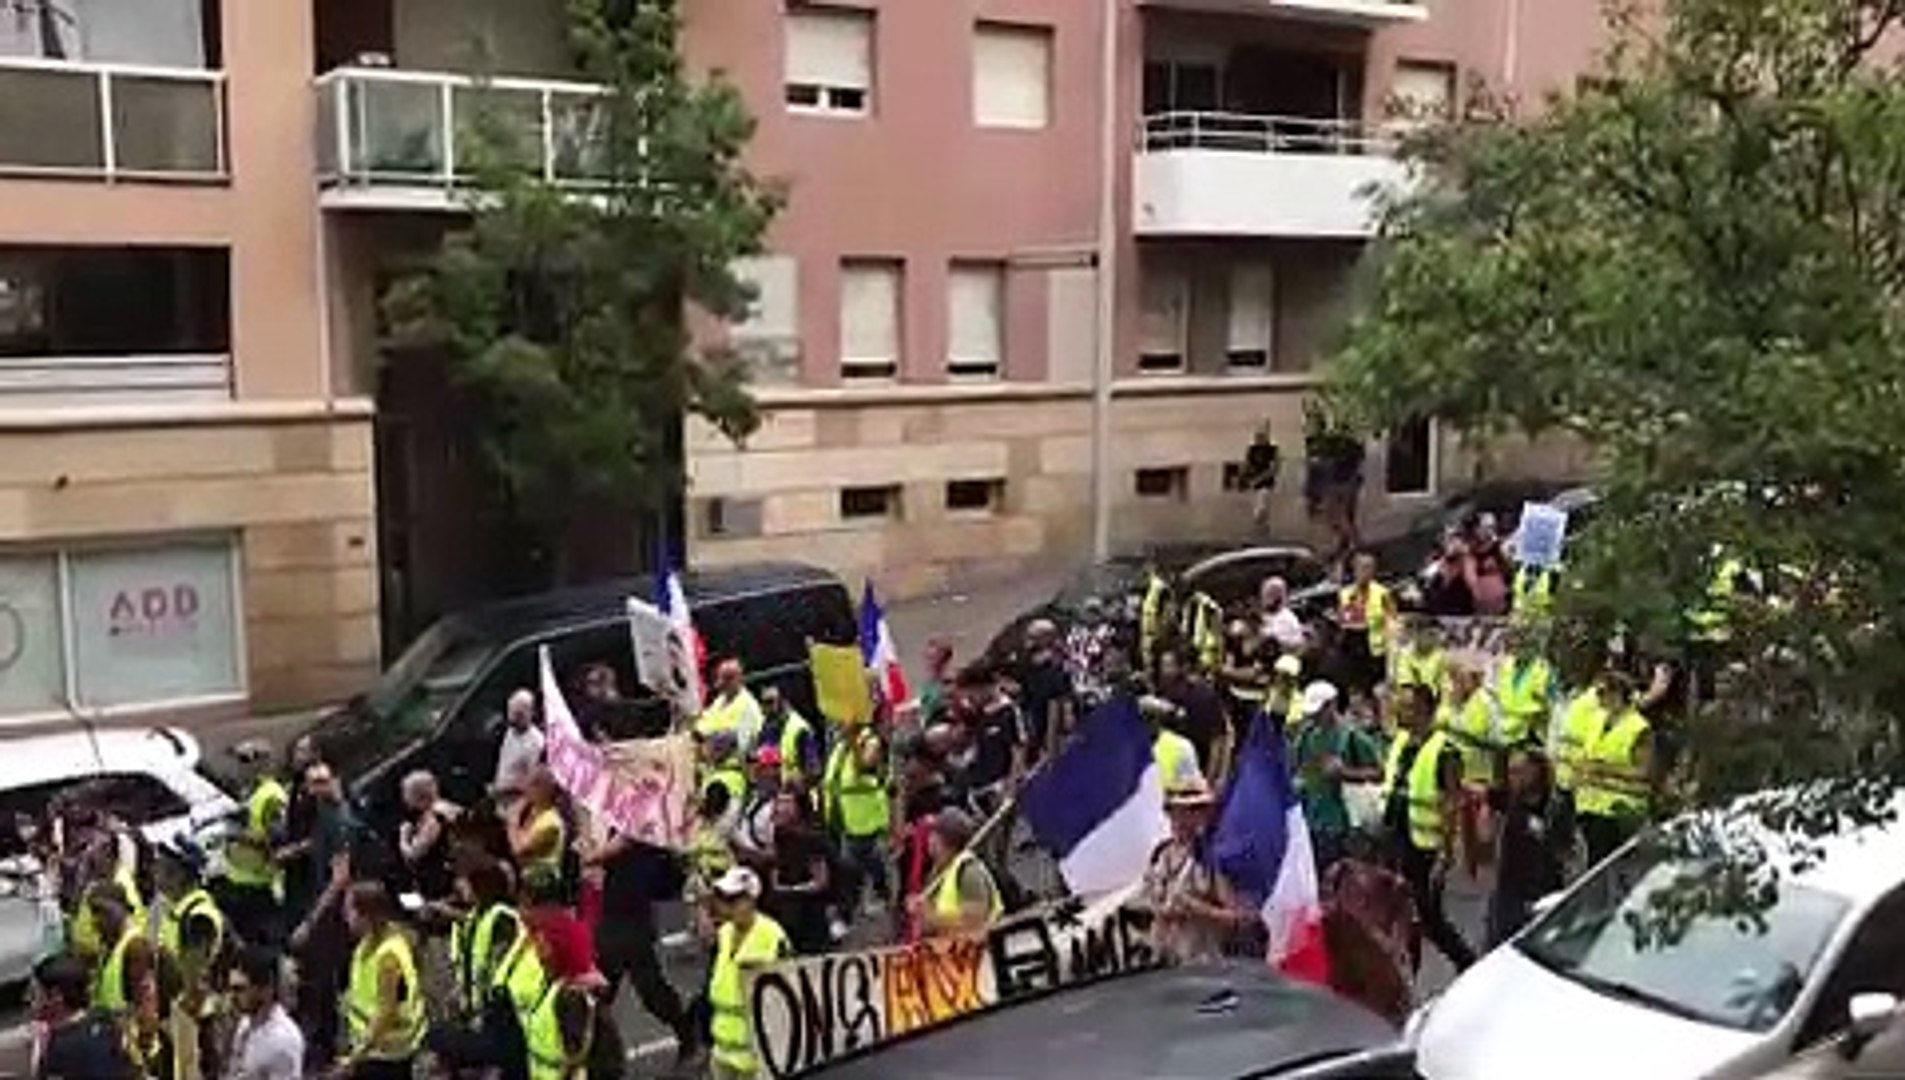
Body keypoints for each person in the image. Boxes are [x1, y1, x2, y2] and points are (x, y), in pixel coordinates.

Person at [582, 829, 701, 1073]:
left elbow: (666, 883)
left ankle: (687, 1035)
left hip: (633, 924)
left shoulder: (643, 838)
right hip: (612, 920)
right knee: (598, 994)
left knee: (651, 992)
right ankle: (597, 1058)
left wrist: (593, 854)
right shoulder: (620, 832)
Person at [1379, 685, 1476, 974]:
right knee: (1396, 911)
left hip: (1424, 847)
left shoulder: (1445, 752)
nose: (1399, 712)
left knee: (1429, 917)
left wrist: (1445, 855)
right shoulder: (1402, 742)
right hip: (1397, 836)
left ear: (1425, 710)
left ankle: (1467, 962)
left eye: (1406, 707)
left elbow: (1452, 804)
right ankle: (1404, 970)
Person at [287, 761, 357, 1072]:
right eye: (311, 783)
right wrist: (295, 852)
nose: (315, 789)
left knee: (324, 982)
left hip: (333, 915)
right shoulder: (323, 814)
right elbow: (317, 844)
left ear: (335, 780)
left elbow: (340, 877)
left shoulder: (340, 820)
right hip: (321, 905)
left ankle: (324, 1050)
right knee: (315, 978)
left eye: (321, 781)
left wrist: (310, 921)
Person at [1140, 779, 1243, 962]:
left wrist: (1197, 908)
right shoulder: (1160, 854)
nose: (1182, 816)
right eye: (1177, 809)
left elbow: (1234, 918)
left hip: (1200, 963)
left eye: (1193, 809)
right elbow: (1148, 903)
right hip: (1162, 958)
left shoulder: (1211, 858)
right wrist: (1159, 910)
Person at [518, 907, 622, 1080]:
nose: (535, 948)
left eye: (541, 942)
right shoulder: (549, 983)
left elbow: (603, 1060)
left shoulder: (571, 998)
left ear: (559, 947)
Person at [706, 868, 790, 1080]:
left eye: (734, 900)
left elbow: (786, 994)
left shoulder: (773, 935)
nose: (726, 906)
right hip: (722, 1050)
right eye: (723, 899)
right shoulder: (725, 933)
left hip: (756, 1057)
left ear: (752, 900)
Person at [1290, 681, 1381, 873]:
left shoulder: (1353, 737)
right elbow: (1300, 769)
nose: (1315, 717)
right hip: (1311, 822)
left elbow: (1379, 773)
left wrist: (1345, 773)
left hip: (1343, 826)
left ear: (1332, 705)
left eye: (1320, 711)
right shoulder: (1306, 735)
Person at [339, 882, 424, 1079]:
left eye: (349, 910)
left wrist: (357, 1056)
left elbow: (386, 1013)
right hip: (371, 1047)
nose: (345, 916)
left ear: (366, 915)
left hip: (385, 1053)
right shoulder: (367, 942)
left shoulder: (388, 955)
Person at [1486, 745, 1565, 947]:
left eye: (1518, 772)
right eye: (1510, 772)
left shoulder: (1556, 808)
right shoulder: (1511, 800)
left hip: (1539, 894)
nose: (1512, 778)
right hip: (1508, 893)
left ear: (1536, 773)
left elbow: (1559, 852)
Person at [1574, 673, 1655, 865]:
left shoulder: (1638, 727)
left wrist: (1603, 770)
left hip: (1618, 812)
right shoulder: (1596, 720)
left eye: (1602, 693)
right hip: (1589, 806)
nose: (1598, 698)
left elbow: (1643, 773)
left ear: (1618, 694)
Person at [220, 739, 289, 951]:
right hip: (238, 880)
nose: (238, 767)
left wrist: (240, 836)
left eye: (244, 761)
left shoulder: (272, 796)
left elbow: (280, 840)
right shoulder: (247, 791)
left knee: (260, 948)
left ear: (263, 764)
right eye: (237, 760)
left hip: (259, 886)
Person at [821, 724, 891, 921]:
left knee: (851, 866)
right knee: (866, 859)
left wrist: (853, 742)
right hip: (840, 816)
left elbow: (866, 766)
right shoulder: (840, 743)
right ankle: (879, 889)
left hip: (862, 818)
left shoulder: (871, 742)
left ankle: (848, 911)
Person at [32, 953, 135, 1079]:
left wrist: (41, 1055)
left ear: (56, 996)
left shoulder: (60, 1050)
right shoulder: (104, 1018)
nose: (29, 1000)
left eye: (35, 993)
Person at [913, 809, 1001, 939]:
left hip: (975, 947)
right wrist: (921, 915)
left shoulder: (968, 872)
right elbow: (928, 926)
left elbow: (974, 922)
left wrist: (931, 916)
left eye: (933, 834)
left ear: (941, 840)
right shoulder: (938, 872)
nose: (929, 839)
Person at [766, 791, 834, 955]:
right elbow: (776, 867)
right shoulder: (778, 834)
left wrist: (790, 890)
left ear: (799, 808)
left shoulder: (811, 838)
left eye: (786, 802)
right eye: (778, 802)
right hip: (786, 915)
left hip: (809, 916)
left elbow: (821, 882)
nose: (779, 808)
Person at [225, 945, 304, 1080]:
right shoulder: (245, 1023)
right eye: (231, 989)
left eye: (240, 989)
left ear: (265, 990)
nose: (232, 997)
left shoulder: (283, 1040)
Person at [1156, 648, 1231, 783]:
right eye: (1162, 665)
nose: (1163, 670)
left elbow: (1218, 741)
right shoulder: (1163, 693)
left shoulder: (1205, 697)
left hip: (1196, 770)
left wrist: (1209, 780)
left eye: (1168, 665)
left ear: (1183, 668)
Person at [397, 770, 459, 906]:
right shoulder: (450, 809)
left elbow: (413, 854)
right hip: (453, 874)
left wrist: (403, 837)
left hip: (441, 881)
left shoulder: (433, 818)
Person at [1337, 551, 1394, 695]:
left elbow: (1392, 620)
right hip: (1353, 647)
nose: (1366, 572)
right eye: (1362, 567)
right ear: (1355, 570)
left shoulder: (1383, 593)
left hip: (1377, 651)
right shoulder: (1345, 593)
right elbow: (1343, 619)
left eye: (1369, 567)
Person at [509, 767, 568, 896]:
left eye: (531, 785)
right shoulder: (532, 813)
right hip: (525, 881)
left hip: (541, 887)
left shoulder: (551, 822)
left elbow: (518, 849)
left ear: (543, 789)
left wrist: (512, 822)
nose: (525, 790)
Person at [754, 687, 819, 790]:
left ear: (783, 702)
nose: (764, 708)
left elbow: (813, 771)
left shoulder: (800, 729)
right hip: (770, 792)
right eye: (762, 703)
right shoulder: (766, 727)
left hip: (797, 794)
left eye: (770, 702)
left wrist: (795, 783)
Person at [696, 659, 765, 755]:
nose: (720, 684)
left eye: (727, 679)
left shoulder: (749, 706)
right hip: (709, 760)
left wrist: (716, 739)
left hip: (733, 763)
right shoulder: (720, 701)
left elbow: (745, 744)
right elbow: (701, 726)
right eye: (720, 678)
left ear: (739, 679)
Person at [494, 690, 547, 812]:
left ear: (530, 713)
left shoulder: (536, 742)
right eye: (510, 713)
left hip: (519, 805)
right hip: (501, 802)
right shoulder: (510, 732)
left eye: (518, 715)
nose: (512, 719)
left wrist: (507, 789)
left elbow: (534, 780)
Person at [1143, 695, 1205, 795]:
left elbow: (1195, 787)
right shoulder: (1122, 749)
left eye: (1149, 718)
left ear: (1158, 720)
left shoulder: (1181, 747)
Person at [1259, 576, 1306, 654]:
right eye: (1265, 593)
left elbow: (1293, 644)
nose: (1265, 598)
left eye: (1270, 594)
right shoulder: (1265, 616)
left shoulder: (1286, 617)